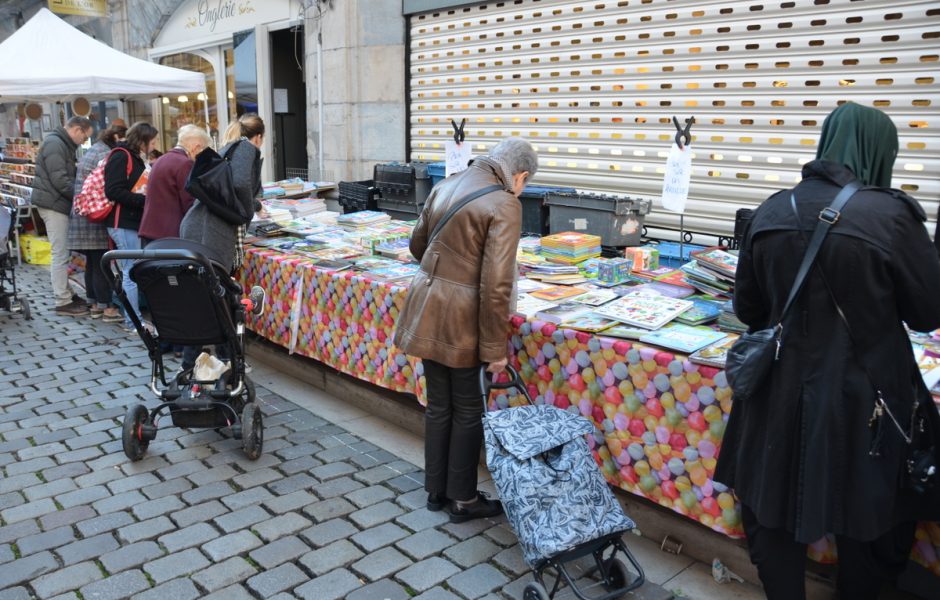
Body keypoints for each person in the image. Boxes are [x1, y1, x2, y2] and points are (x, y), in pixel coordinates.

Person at [714, 102, 940, 600]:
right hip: (867, 398)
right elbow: (928, 312)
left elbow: (749, 309)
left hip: (776, 390)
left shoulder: (773, 208)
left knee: (769, 504)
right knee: (870, 511)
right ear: (881, 151)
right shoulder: (893, 216)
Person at [394, 137, 536, 523]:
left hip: (427, 307)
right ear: (519, 176)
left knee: (440, 406)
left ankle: (436, 491)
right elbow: (497, 285)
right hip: (462, 320)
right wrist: (495, 350)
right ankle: (464, 499)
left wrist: (449, 272)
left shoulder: (446, 183)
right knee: (469, 409)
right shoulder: (505, 203)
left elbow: (416, 247)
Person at [179, 114, 263, 374]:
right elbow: (239, 184)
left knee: (208, 296)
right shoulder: (248, 148)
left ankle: (208, 360)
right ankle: (222, 360)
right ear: (259, 136)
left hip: (198, 227)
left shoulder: (227, 148)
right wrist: (247, 210)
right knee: (216, 297)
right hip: (212, 234)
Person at [30, 116, 93, 315]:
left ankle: (67, 292)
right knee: (60, 253)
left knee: (62, 252)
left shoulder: (60, 143)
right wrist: (82, 196)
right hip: (54, 204)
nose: (84, 142)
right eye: (84, 137)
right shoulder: (56, 144)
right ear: (77, 130)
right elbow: (60, 180)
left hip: (55, 202)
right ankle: (62, 300)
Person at [67, 123, 127, 322]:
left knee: (92, 263)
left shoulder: (95, 149)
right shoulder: (105, 153)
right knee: (102, 262)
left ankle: (94, 303)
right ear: (118, 137)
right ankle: (106, 307)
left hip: (83, 215)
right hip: (95, 216)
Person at [103, 121, 159, 332]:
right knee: (130, 271)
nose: (153, 146)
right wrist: (143, 200)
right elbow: (113, 191)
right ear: (142, 140)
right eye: (151, 142)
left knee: (133, 270)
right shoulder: (121, 155)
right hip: (123, 222)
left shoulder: (134, 156)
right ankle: (133, 321)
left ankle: (135, 318)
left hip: (133, 222)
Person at [138, 125, 210, 246]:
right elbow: (190, 202)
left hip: (151, 231)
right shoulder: (185, 163)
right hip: (169, 235)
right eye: (203, 150)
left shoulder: (162, 159)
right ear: (196, 147)